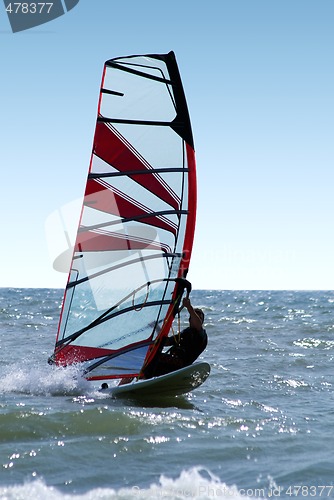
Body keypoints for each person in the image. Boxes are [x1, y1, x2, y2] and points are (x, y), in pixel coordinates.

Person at [142, 297, 207, 378]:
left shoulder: (201, 335)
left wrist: (189, 307)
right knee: (148, 354)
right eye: (195, 317)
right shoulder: (186, 332)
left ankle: (145, 377)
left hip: (182, 366)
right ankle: (130, 382)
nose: (197, 319)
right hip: (171, 364)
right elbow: (167, 342)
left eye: (200, 318)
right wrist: (157, 327)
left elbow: (198, 324)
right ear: (189, 320)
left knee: (151, 357)